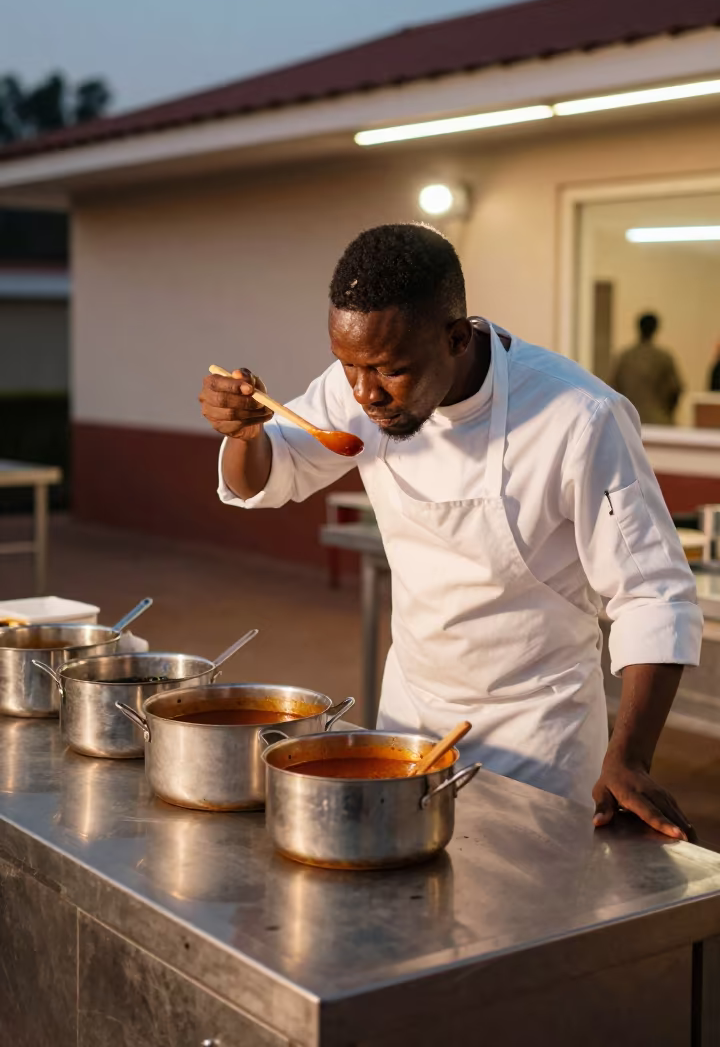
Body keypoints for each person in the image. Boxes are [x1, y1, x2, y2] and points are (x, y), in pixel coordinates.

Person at [200, 224, 702, 838]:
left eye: (389, 370)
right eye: (347, 366)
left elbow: (653, 595)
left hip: (536, 732)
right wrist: (242, 435)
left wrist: (630, 758)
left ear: (457, 337)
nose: (364, 393)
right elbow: (263, 480)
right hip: (411, 713)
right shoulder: (357, 386)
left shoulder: (579, 417)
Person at [611, 313, 683, 425]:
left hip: (629, 421)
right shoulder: (663, 358)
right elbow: (675, 390)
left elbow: (612, 388)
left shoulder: (625, 357)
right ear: (655, 329)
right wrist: (666, 412)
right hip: (658, 420)